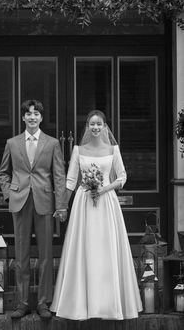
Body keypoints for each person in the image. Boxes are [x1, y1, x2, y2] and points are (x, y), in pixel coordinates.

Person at [50, 110, 142, 320]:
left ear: (105, 126)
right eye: (92, 124)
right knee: (84, 247)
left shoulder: (113, 149)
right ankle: (79, 304)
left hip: (107, 202)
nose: (95, 127)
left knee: (106, 247)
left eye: (99, 124)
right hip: (84, 203)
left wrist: (104, 189)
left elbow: (122, 177)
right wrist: (62, 205)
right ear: (87, 126)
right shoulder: (78, 149)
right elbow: (71, 180)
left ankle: (109, 304)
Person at [0, 99, 67, 320]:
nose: (32, 117)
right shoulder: (12, 143)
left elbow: (59, 176)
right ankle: (22, 302)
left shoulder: (52, 143)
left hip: (44, 202)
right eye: (28, 114)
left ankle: (44, 302)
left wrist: (62, 205)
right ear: (23, 117)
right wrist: (10, 193)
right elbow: (3, 173)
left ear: (41, 117)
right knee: (21, 255)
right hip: (20, 201)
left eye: (36, 113)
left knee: (46, 254)